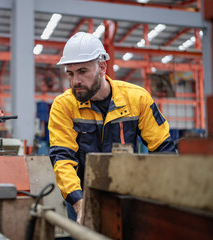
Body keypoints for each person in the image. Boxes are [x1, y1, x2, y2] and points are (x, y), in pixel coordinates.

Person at [48, 32, 176, 225]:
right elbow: (63, 158)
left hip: (126, 196)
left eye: (82, 71)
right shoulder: (64, 106)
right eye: (70, 73)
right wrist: (78, 202)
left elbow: (163, 149)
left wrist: (165, 196)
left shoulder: (137, 99)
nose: (75, 81)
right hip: (83, 196)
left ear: (102, 67)